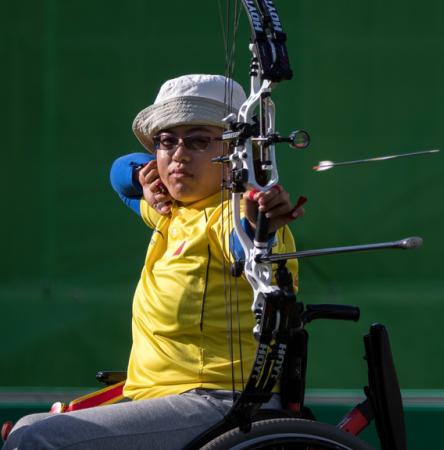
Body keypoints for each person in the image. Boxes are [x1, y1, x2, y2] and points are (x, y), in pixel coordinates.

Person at [3, 74, 304, 449]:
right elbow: (118, 172)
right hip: (159, 398)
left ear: (235, 151)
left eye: (197, 141)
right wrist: (144, 176)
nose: (178, 154)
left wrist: (259, 223)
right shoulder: (171, 211)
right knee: (25, 427)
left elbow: (245, 249)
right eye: (166, 141)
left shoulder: (229, 213)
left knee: (36, 439)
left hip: (214, 400)